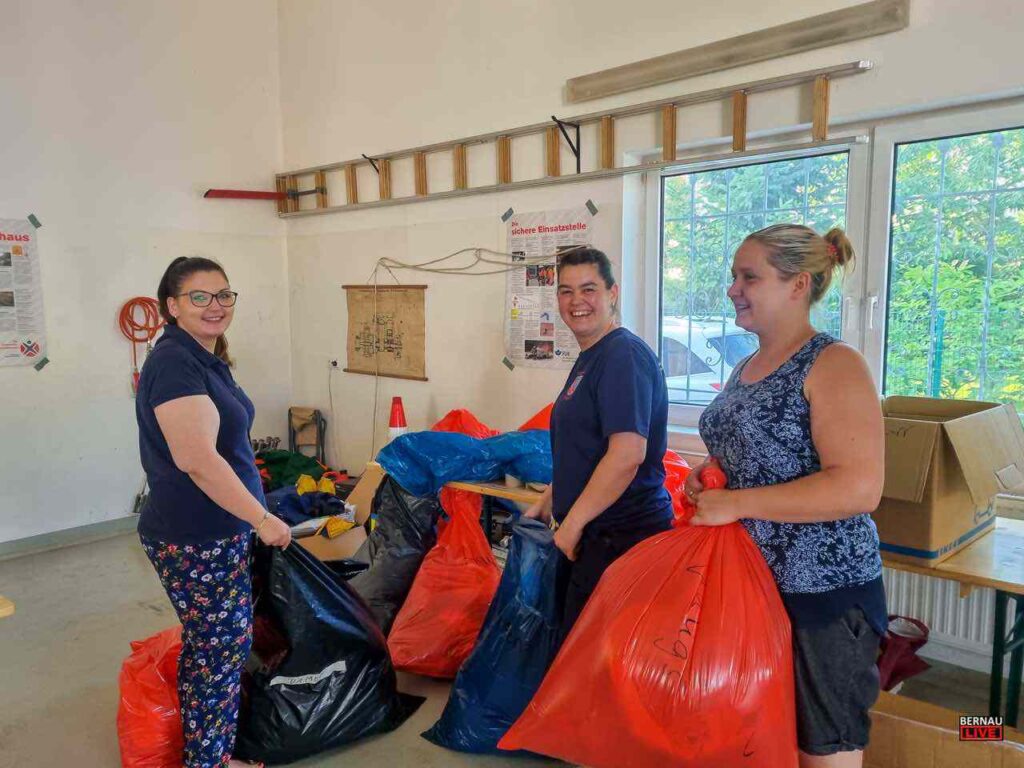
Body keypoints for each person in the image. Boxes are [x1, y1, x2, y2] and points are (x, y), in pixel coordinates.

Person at [687, 224, 886, 768]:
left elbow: (859, 486)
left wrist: (739, 503)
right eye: (734, 275)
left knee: (821, 747)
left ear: (798, 285)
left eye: (749, 276)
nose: (733, 288)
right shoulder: (746, 367)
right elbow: (753, 457)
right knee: (759, 737)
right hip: (751, 587)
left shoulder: (834, 363)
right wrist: (709, 475)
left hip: (821, 594)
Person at [135, 256, 291, 768]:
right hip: (196, 534)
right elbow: (197, 459)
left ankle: (212, 754)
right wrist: (262, 519)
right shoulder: (175, 363)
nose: (215, 305)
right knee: (217, 652)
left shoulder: (204, 356)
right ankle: (209, 762)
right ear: (172, 306)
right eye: (199, 296)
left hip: (215, 529)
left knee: (217, 647)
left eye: (224, 295)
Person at [524, 247, 673, 634]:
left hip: (620, 538)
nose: (577, 302)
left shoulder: (622, 355)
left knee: (591, 662)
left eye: (588, 289)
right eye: (566, 291)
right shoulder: (591, 355)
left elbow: (626, 455)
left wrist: (572, 524)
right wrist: (548, 500)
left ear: (612, 293)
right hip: (592, 532)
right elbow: (588, 451)